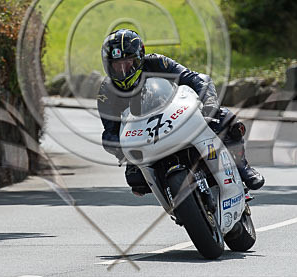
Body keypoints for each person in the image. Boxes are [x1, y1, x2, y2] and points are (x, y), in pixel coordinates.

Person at [96, 28, 265, 195]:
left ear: (139, 57)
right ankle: (172, 200)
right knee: (136, 182)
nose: (123, 70)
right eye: (117, 65)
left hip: (173, 114)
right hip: (142, 135)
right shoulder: (106, 91)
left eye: (127, 62)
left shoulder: (158, 63)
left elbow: (196, 79)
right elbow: (110, 131)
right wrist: (122, 149)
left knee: (224, 118)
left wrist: (209, 105)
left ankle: (243, 167)